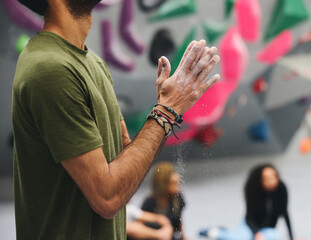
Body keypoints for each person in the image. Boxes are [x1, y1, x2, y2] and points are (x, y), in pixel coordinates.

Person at [11, 0, 221, 238]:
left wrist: (167, 111)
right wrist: (166, 110)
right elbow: (107, 197)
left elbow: (124, 182)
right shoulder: (51, 69)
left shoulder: (93, 64)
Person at [199, 164, 293, 240]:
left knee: (277, 237)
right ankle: (213, 232)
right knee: (239, 238)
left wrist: (292, 238)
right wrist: (256, 233)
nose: (271, 181)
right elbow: (249, 218)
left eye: (273, 177)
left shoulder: (281, 188)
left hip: (267, 229)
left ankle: (232, 232)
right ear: (261, 180)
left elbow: (285, 213)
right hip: (250, 226)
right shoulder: (254, 191)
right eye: (267, 178)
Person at [142, 162, 186, 240]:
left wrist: (184, 236)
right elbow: (141, 224)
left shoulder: (178, 199)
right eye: (174, 184)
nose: (179, 187)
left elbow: (179, 223)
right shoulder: (150, 203)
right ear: (164, 184)